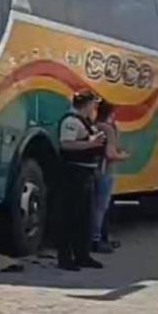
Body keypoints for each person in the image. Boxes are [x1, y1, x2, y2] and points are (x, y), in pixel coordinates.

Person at [56, 90, 106, 271]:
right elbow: (65, 144)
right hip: (73, 174)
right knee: (70, 217)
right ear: (86, 104)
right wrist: (91, 143)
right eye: (94, 103)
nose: (96, 107)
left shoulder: (86, 122)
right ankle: (65, 258)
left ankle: (82, 256)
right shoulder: (71, 121)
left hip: (86, 174)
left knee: (84, 218)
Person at [92, 100, 130, 255]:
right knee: (101, 208)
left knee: (93, 207)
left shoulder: (94, 125)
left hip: (92, 171)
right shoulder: (108, 128)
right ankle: (97, 239)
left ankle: (96, 237)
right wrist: (124, 156)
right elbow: (110, 154)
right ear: (111, 113)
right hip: (105, 171)